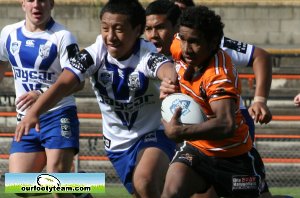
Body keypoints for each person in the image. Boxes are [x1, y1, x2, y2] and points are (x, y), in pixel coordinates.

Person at [15, 0, 178, 197]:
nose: (111, 37)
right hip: (117, 145)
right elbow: (64, 83)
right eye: (105, 28)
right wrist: (34, 112)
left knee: (145, 182)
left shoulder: (146, 54)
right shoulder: (95, 53)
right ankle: (79, 186)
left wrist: (170, 80)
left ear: (137, 30)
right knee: (19, 185)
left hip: (154, 133)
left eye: (119, 29)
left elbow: (165, 67)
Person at [160, 5, 269, 197]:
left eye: (194, 42)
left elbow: (227, 124)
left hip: (234, 156)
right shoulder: (179, 44)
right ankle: (87, 188)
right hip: (197, 149)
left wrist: (181, 131)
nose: (186, 48)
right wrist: (170, 84)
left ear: (213, 43)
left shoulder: (218, 76)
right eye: (183, 39)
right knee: (169, 192)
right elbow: (170, 66)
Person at [0, 0, 84, 197]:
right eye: (31, 0)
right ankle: (80, 187)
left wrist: (42, 92)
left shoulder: (63, 37)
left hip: (58, 113)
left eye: (43, 0)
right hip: (26, 119)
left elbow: (79, 82)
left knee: (57, 181)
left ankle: (70, 183)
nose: (37, 5)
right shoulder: (8, 33)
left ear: (51, 4)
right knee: (19, 186)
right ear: (23, 4)